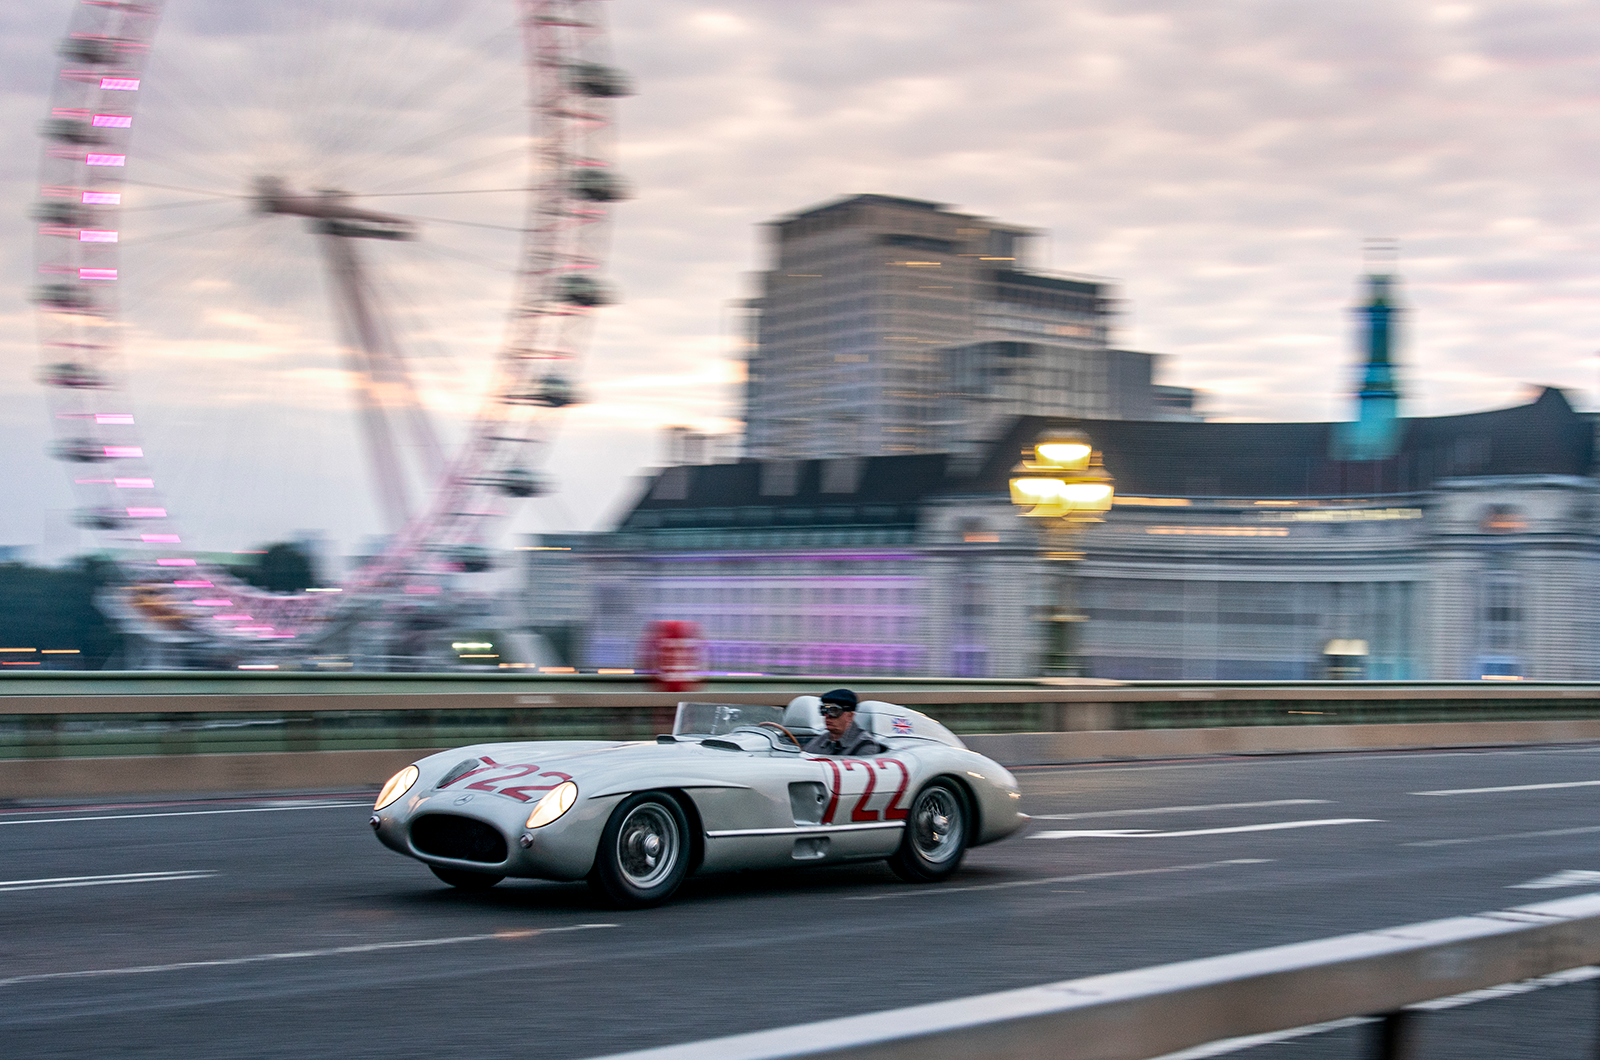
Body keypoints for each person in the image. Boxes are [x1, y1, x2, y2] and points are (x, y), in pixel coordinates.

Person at [802, 688, 886, 756]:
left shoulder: (865, 745)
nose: (827, 716)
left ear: (850, 715)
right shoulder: (819, 741)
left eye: (834, 711)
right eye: (824, 710)